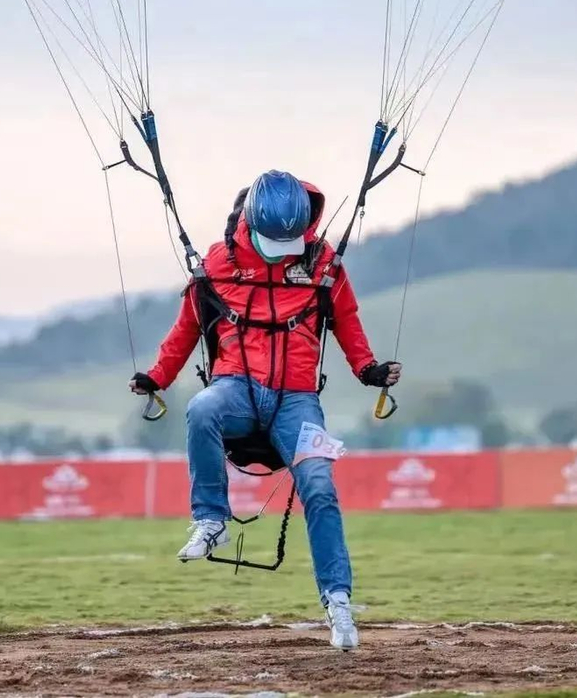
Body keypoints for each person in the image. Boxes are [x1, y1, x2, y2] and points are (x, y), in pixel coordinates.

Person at [129, 170, 401, 650]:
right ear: (252, 225)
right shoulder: (217, 264)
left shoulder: (324, 266)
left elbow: (347, 322)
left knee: (319, 485)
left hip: (297, 402)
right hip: (236, 388)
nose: (286, 248)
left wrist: (368, 369)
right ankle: (211, 518)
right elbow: (187, 328)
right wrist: (157, 377)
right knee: (202, 408)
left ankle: (338, 602)